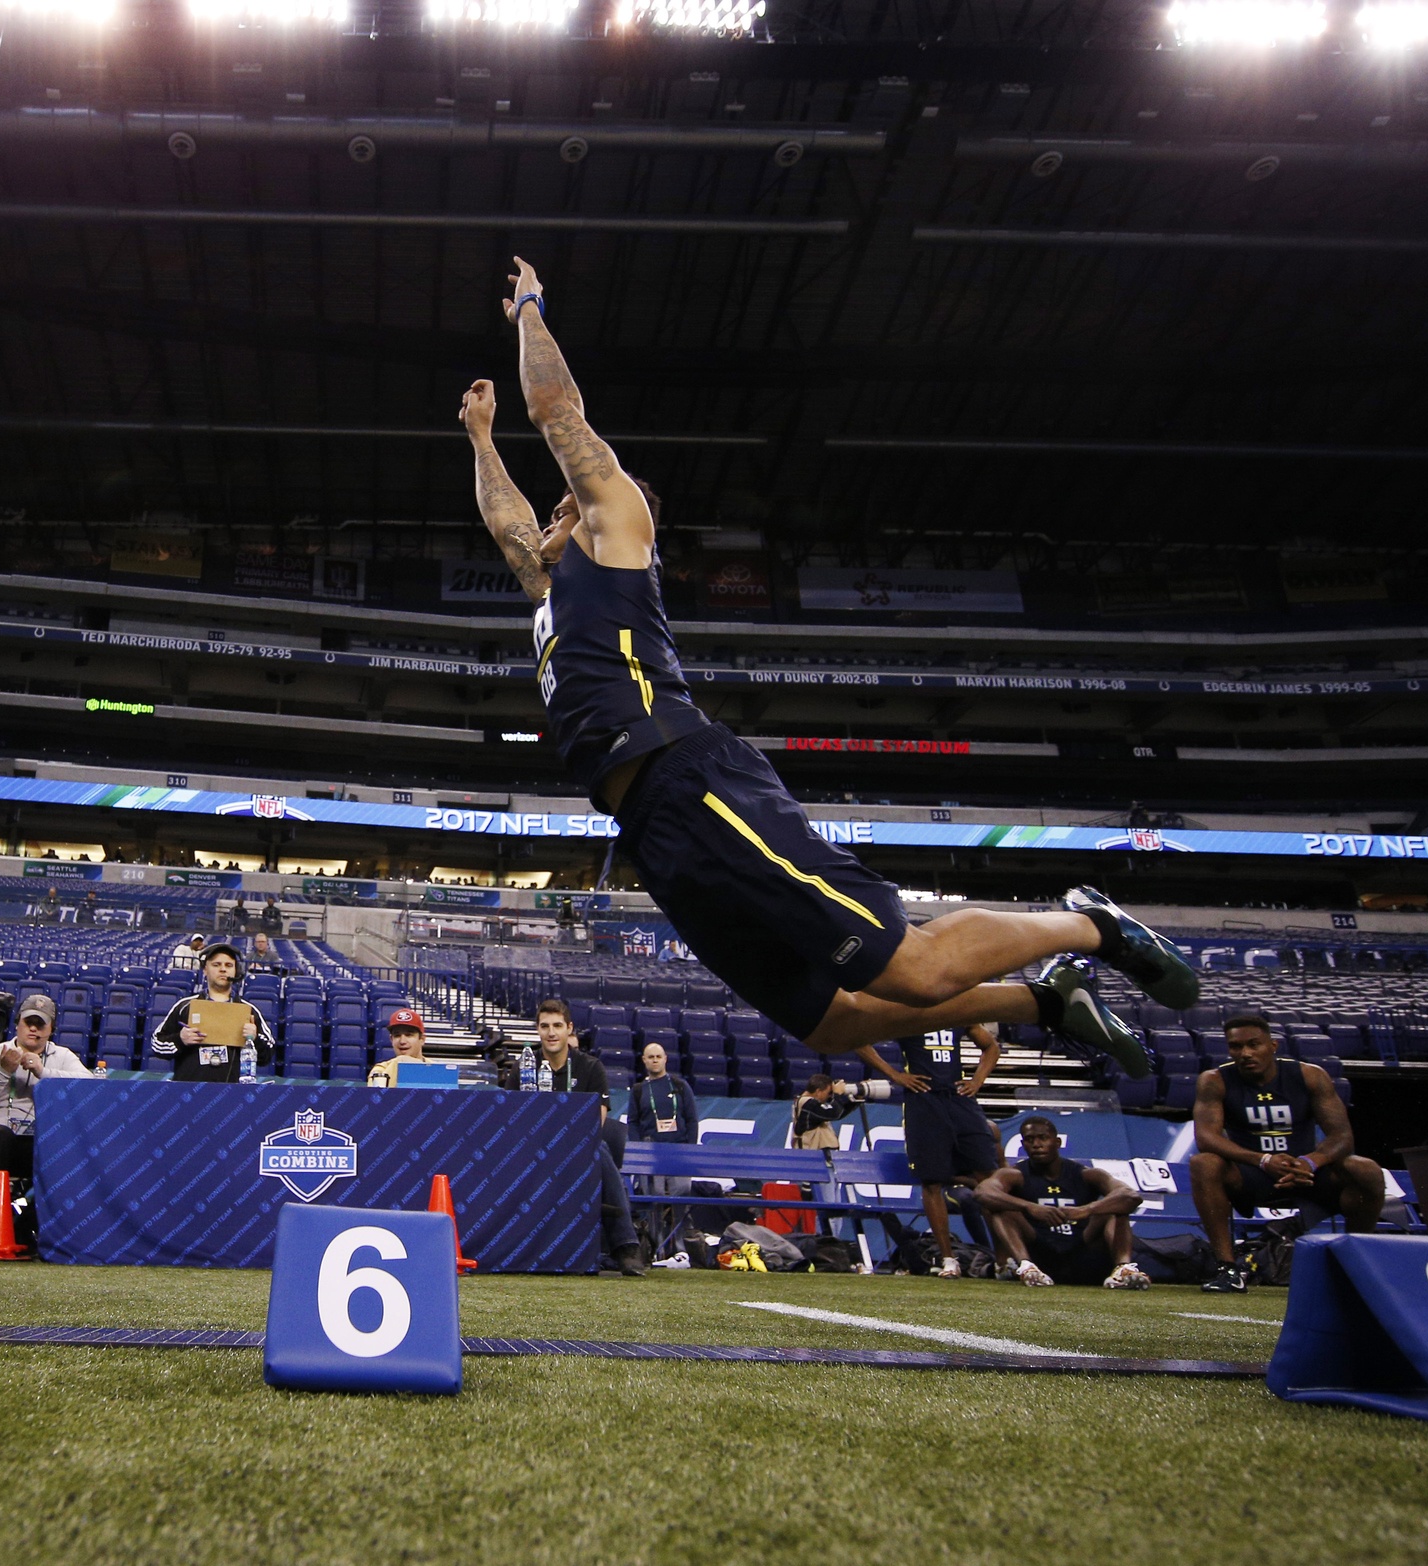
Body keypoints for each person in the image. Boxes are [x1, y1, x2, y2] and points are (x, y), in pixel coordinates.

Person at [458, 259, 1197, 1070]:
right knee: (831, 1022)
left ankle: (1091, 922)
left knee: (913, 969)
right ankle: (1046, 998)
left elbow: (557, 407)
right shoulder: (556, 594)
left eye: (564, 509)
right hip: (648, 826)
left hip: (686, 776)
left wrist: (529, 311)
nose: (551, 523)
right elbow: (511, 533)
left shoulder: (618, 530)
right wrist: (482, 439)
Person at [1188, 1013, 1387, 1295]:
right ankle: (1228, 1269)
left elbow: (1342, 1137)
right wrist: (1263, 1160)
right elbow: (1206, 1137)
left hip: (1307, 1173)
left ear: (1273, 1046)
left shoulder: (1310, 1075)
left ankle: (1357, 1262)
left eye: (1254, 1044)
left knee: (1365, 1169)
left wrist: (1309, 1162)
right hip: (1253, 1174)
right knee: (1203, 1164)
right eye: (1235, 1047)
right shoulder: (1215, 1080)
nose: (1244, 1053)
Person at [864, 1023, 1004, 1277]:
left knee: (989, 1180)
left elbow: (991, 1047)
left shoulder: (961, 1012)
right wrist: (894, 1075)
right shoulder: (907, 1015)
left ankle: (1005, 1259)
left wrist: (978, 1080)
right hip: (923, 1102)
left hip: (959, 1098)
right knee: (931, 1182)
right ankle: (949, 1259)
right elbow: (858, 1039)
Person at [535, 997, 644, 1275]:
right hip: (534, 1150)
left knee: (601, 1148)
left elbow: (598, 1119)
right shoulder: (524, 1066)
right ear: (537, 1030)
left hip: (578, 1148)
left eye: (557, 1025)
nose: (551, 1032)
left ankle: (627, 1246)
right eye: (545, 1026)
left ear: (569, 1029)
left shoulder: (590, 1067)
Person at [975, 1116, 1150, 1289]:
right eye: (1030, 1140)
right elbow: (982, 1192)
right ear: (1023, 1145)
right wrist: (1029, 1207)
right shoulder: (1014, 1174)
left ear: (1057, 1142)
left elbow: (1131, 1196)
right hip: (1039, 1252)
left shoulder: (1087, 1174)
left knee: (1115, 1208)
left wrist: (1087, 1210)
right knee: (1002, 1210)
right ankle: (1027, 1268)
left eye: (1043, 1138)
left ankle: (1123, 1269)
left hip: (1083, 1249)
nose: (1036, 1144)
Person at [0, 995, 90, 1189]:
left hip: (36, 1141)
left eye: (40, 1024)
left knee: (63, 1145)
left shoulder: (62, 1056)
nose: (34, 1029)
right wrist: (3, 1071)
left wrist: (43, 1072)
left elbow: (87, 1084)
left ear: (51, 1029)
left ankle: (35, 1218)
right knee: (1, 1136)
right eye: (28, 1022)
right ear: (17, 1024)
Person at [151, 943, 277, 1082]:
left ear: (236, 971)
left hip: (231, 1095)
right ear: (205, 970)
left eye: (229, 965)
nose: (223, 969)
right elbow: (157, 1044)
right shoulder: (185, 1006)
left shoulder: (249, 1011)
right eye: (216, 965)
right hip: (187, 1093)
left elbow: (267, 1056)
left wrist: (255, 1039)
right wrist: (180, 1039)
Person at [628, 1039, 702, 1261]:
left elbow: (691, 1119)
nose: (655, 1060)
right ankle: (657, 1248)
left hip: (679, 1151)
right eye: (650, 1057)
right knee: (656, 1199)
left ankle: (679, 1248)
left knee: (682, 1195)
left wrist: (689, 1150)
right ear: (644, 1060)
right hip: (651, 1152)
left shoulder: (679, 1086)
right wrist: (639, 1149)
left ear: (665, 1059)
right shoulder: (640, 1090)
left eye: (658, 1056)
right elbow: (632, 1122)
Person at [365, 1008, 435, 1088]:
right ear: (391, 1039)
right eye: (397, 1035)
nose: (402, 1041)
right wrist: (399, 1062)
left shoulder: (437, 1070)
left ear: (422, 1039)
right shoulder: (380, 1070)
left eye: (409, 1035)